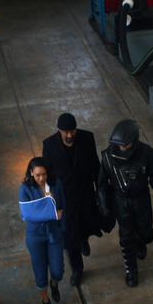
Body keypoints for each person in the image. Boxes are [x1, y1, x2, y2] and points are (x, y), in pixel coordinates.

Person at [97, 119, 153, 287]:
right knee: (126, 237)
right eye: (119, 145)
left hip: (141, 199)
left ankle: (141, 241)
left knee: (146, 233)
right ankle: (130, 270)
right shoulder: (107, 157)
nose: (122, 148)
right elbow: (102, 184)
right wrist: (104, 205)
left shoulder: (148, 153)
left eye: (125, 145)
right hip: (121, 201)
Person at [42, 113, 101, 287]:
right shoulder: (49, 145)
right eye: (65, 132)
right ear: (59, 131)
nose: (69, 135)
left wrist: (100, 190)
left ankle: (84, 239)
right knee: (69, 236)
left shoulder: (87, 138)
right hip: (65, 199)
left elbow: (94, 165)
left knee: (85, 225)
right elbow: (46, 176)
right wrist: (50, 202)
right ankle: (77, 269)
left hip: (85, 195)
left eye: (72, 131)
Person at [18, 157, 66, 304]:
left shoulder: (56, 184)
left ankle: (54, 283)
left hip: (53, 232)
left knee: (58, 270)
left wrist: (57, 215)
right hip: (35, 235)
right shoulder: (25, 188)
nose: (41, 178)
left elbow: (62, 207)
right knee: (40, 272)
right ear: (31, 173)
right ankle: (46, 303)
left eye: (44, 174)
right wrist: (51, 213)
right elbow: (27, 215)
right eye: (37, 175)